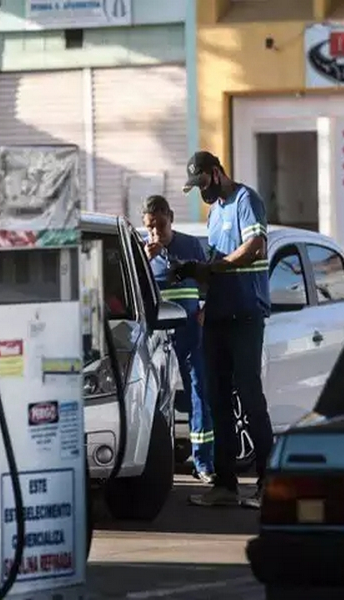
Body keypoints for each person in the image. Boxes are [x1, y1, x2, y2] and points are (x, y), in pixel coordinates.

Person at [176, 151, 272, 508]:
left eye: (202, 182)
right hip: (216, 316)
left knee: (249, 397)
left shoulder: (246, 200)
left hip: (245, 317)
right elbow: (214, 261)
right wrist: (195, 271)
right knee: (217, 402)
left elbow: (254, 247)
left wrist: (216, 268)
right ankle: (225, 485)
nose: (202, 191)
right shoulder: (215, 211)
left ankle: (268, 483)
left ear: (216, 173)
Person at [141, 195, 215, 484]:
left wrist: (206, 309)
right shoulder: (142, 252)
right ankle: (161, 465)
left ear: (170, 217)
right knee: (158, 399)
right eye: (149, 227)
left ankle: (203, 462)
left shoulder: (191, 245)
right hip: (159, 339)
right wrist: (145, 260)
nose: (155, 233)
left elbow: (209, 280)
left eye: (160, 225)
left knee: (199, 392)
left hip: (190, 333)